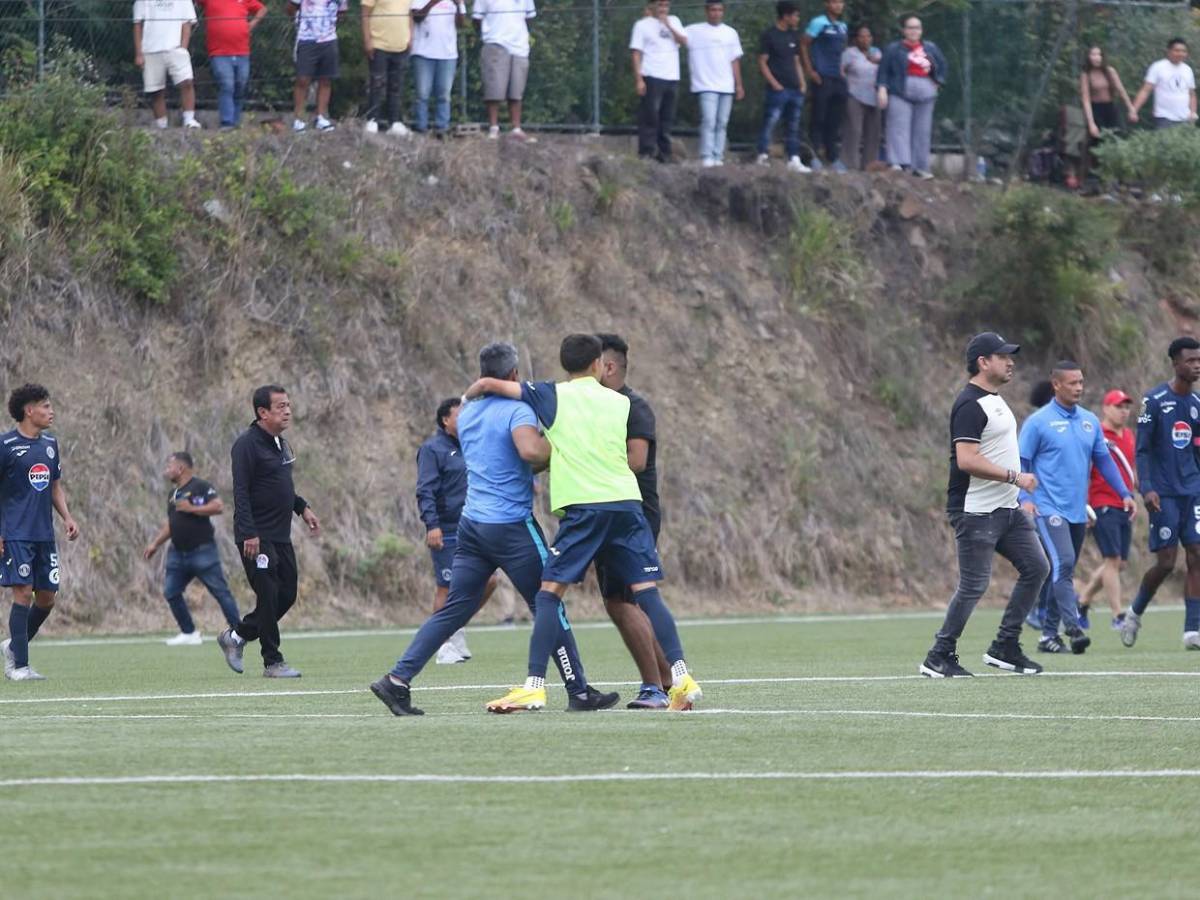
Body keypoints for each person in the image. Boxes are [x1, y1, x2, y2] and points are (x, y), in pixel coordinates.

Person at [370, 342, 617, 715]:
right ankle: (579, 691)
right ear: (514, 375)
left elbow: (501, 456)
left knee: (453, 609)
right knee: (548, 602)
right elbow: (531, 453)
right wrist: (566, 444)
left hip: (472, 525)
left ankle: (397, 680)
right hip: (511, 526)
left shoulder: (467, 413)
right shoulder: (517, 410)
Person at [464, 334, 702, 711]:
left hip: (584, 508)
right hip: (626, 505)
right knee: (647, 593)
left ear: (565, 366)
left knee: (548, 594)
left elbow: (496, 385)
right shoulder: (621, 401)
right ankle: (682, 677)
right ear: (598, 365)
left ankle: (534, 686)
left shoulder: (551, 395)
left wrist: (474, 390)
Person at [919, 333, 1049, 678]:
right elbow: (967, 460)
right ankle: (939, 655)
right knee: (974, 585)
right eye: (1003, 356)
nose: (1011, 362)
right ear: (983, 362)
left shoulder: (996, 400)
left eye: (1011, 356)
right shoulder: (969, 404)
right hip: (976, 511)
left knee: (1037, 568)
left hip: (1008, 511)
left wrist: (1016, 495)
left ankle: (1005, 647)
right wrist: (1015, 477)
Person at [1017, 363, 1136, 655]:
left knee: (1063, 567)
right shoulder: (1038, 422)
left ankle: (1047, 637)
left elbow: (1104, 460)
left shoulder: (1089, 422)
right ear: (1056, 385)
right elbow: (1022, 462)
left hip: (1076, 510)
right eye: (1072, 383)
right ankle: (1072, 627)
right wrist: (1024, 498)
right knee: (1064, 563)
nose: (1079, 388)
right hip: (1046, 506)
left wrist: (1124, 492)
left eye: (1081, 382)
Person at [217, 385, 321, 677]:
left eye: (289, 405)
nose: (287, 410)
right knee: (267, 594)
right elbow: (241, 491)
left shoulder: (279, 443)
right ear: (262, 412)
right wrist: (249, 532)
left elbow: (281, 486)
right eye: (280, 406)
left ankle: (236, 636)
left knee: (286, 594)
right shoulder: (246, 445)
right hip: (256, 536)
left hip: (280, 534)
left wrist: (302, 507)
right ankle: (272, 662)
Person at [596, 334, 674, 709]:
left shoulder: (633, 406)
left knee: (624, 601)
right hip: (609, 511)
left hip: (634, 514)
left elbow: (636, 461)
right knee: (620, 601)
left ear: (608, 367)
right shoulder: (598, 406)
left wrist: (587, 468)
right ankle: (667, 682)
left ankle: (656, 688)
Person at [1121, 337, 1200, 651]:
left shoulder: (1197, 406)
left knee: (1197, 555)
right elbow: (1141, 451)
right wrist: (1147, 488)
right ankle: (1135, 612)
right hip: (1163, 494)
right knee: (1166, 562)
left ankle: (1192, 630)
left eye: (1199, 360)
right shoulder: (1152, 401)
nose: (1196, 366)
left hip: (1193, 491)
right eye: (1191, 360)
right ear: (1175, 363)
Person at [0, 384, 80, 682]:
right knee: (22, 592)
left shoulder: (50, 445)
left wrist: (67, 517)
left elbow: (54, 486)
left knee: (46, 599)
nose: (51, 411)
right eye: (45, 406)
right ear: (28, 410)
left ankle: (13, 646)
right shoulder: (5, 445)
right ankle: (19, 666)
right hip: (15, 533)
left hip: (44, 534)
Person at [416, 397, 495, 663]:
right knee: (446, 588)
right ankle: (443, 646)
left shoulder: (472, 446)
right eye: (460, 415)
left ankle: (456, 626)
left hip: (474, 526)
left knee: (489, 581)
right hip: (446, 529)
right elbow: (425, 490)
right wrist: (432, 525)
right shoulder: (432, 449)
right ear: (446, 420)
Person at [143, 452, 242, 645]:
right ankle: (189, 633)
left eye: (169, 466)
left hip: (202, 552)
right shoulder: (173, 494)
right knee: (171, 592)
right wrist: (155, 544)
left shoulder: (201, 487)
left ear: (180, 468)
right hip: (178, 554)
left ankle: (239, 632)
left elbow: (218, 506)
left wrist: (193, 509)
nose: (166, 471)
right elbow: (172, 524)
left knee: (221, 592)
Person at [1078, 390, 1137, 631]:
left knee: (1120, 563)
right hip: (1102, 503)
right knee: (1111, 560)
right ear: (1106, 408)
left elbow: (1130, 470)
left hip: (1124, 504)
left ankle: (1082, 602)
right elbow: (1083, 469)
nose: (1123, 411)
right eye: (1118, 406)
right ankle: (1118, 615)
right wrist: (1084, 505)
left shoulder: (1129, 435)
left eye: (1126, 407)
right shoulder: (1096, 433)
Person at [876, 15, 947, 179]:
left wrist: (938, 81)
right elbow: (884, 70)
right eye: (910, 27)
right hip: (900, 90)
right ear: (904, 30)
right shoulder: (894, 49)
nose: (914, 31)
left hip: (926, 92)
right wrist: (882, 89)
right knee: (898, 126)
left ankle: (919, 167)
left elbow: (942, 65)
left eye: (917, 28)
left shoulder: (930, 48)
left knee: (922, 130)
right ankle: (898, 163)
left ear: (921, 30)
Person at [684, 0, 744, 169]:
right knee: (709, 120)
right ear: (706, 11)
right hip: (705, 84)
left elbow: (735, 60)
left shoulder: (730, 33)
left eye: (719, 10)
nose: (716, 13)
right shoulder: (694, 30)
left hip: (726, 85)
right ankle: (706, 156)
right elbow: (677, 36)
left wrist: (738, 85)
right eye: (713, 10)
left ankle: (718, 156)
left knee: (722, 122)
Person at [755, 1, 810, 173]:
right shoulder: (769, 35)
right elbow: (762, 62)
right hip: (778, 88)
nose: (797, 19)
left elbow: (796, 61)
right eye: (795, 15)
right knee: (771, 121)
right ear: (786, 16)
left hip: (794, 88)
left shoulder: (793, 35)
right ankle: (762, 154)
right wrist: (774, 83)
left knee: (793, 124)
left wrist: (802, 82)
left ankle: (793, 157)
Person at [630, 0, 687, 163]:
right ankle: (647, 151)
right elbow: (636, 53)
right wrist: (639, 79)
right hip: (652, 75)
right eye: (660, 5)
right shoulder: (642, 25)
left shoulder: (674, 21)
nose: (663, 9)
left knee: (667, 116)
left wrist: (668, 25)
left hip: (672, 76)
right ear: (652, 6)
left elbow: (684, 41)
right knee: (650, 115)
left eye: (666, 5)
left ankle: (665, 152)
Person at [196, 0, 267, 129]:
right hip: (219, 52)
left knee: (240, 86)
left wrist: (252, 24)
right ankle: (227, 122)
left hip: (242, 51)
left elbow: (262, 9)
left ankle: (235, 122)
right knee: (227, 84)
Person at [473, 0, 537, 141]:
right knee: (494, 88)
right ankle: (494, 128)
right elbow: (477, 19)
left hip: (519, 46)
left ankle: (516, 128)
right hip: (495, 43)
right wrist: (490, 33)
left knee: (516, 90)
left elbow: (530, 17)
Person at [133, 0, 202, 129]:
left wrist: (183, 48)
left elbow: (187, 23)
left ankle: (189, 120)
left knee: (187, 82)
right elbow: (137, 24)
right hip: (150, 50)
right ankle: (161, 125)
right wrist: (139, 54)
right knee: (156, 91)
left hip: (175, 48)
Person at [800, 0, 848, 172]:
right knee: (818, 117)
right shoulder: (818, 22)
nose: (838, 5)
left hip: (838, 78)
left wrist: (843, 70)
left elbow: (842, 50)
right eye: (834, 2)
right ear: (827, 4)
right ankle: (812, 156)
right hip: (822, 76)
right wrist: (810, 70)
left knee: (834, 119)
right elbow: (804, 44)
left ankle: (833, 156)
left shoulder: (842, 26)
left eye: (841, 2)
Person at [288, 0, 347, 132]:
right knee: (302, 79)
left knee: (326, 79)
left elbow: (342, 11)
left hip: (329, 39)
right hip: (306, 39)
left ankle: (320, 117)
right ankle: (298, 119)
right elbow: (291, 8)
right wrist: (300, 22)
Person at [411, 0, 466, 134]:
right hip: (423, 52)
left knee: (444, 94)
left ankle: (442, 127)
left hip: (447, 53)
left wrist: (459, 5)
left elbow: (461, 24)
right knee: (422, 94)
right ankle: (421, 126)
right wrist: (432, 3)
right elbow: (416, 17)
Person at [362, 0, 412, 135]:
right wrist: (367, 40)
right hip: (379, 43)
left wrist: (410, 38)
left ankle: (394, 121)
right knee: (377, 83)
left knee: (396, 85)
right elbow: (365, 14)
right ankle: (372, 119)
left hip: (401, 44)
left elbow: (409, 14)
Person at [1130, 38, 1197, 130]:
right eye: (1177, 50)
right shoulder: (1158, 67)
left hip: (1185, 117)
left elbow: (1191, 94)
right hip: (1164, 117)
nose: (1180, 54)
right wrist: (1134, 110)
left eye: (1183, 51)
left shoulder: (1187, 70)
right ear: (1169, 51)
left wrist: (1193, 112)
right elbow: (1145, 90)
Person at [840, 23, 881, 170]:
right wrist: (847, 84)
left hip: (874, 96)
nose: (865, 39)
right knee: (854, 129)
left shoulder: (877, 53)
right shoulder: (849, 53)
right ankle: (850, 164)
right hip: (855, 95)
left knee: (873, 132)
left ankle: (869, 165)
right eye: (861, 36)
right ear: (856, 39)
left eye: (868, 36)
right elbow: (841, 71)